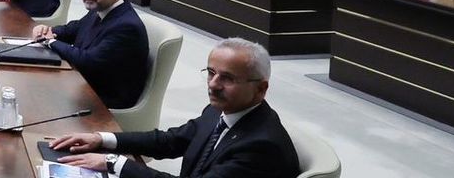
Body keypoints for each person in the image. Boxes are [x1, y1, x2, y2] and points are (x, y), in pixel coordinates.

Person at [49, 38, 300, 178]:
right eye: (211, 73)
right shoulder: (220, 110)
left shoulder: (261, 147)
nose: (213, 85)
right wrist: (101, 139)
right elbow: (170, 141)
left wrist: (115, 163)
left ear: (261, 89)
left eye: (228, 78)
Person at [31, 0, 150, 110]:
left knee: (36, 96)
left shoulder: (126, 26)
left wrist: (50, 42)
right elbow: (72, 29)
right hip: (86, 84)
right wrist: (49, 31)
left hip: (105, 99)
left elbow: (89, 61)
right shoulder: (100, 9)